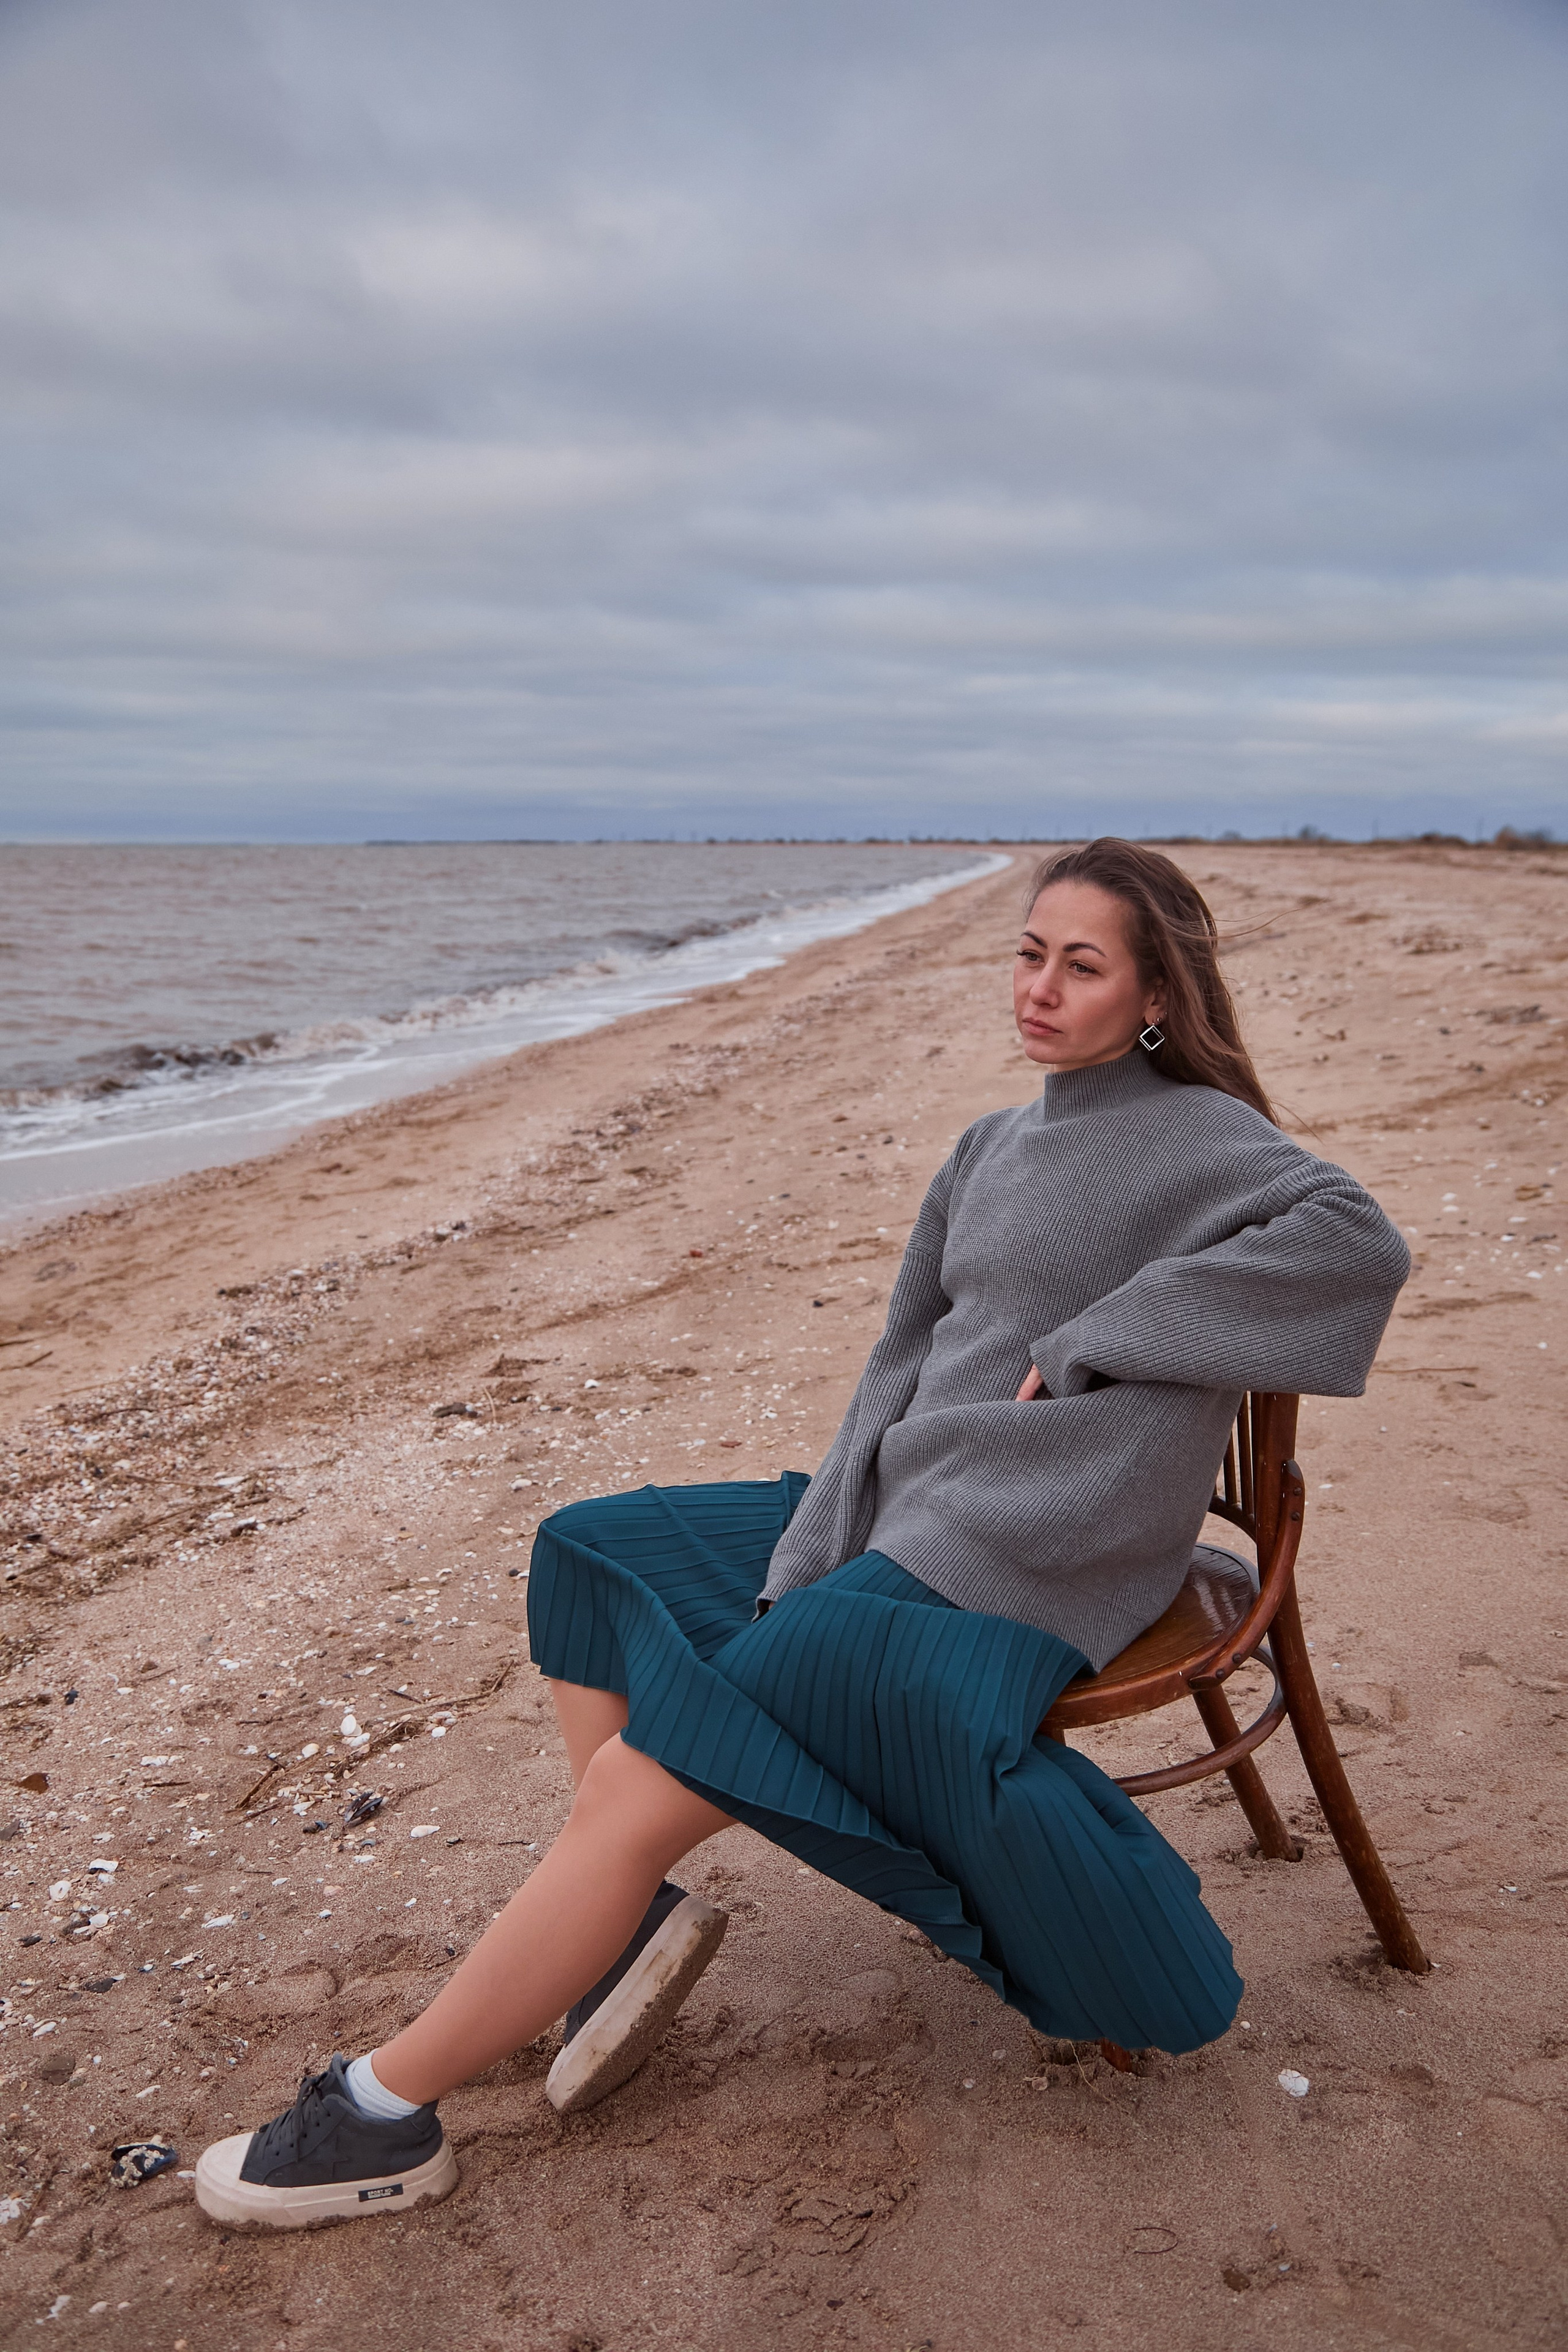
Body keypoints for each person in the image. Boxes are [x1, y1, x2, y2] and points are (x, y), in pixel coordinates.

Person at [195, 839, 1408, 2229]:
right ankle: (625, 1915)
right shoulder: (991, 1144)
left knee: (639, 1784)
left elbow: (1357, 1243)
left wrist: (1095, 1338)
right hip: (907, 1504)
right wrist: (812, 1549)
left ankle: (386, 2111)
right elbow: (900, 1355)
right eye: (1028, 954)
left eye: (1081, 967)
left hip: (1031, 1546)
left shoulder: (1203, 1137)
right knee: (590, 1546)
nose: (1039, 988)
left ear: (1154, 996)